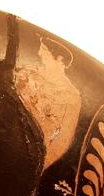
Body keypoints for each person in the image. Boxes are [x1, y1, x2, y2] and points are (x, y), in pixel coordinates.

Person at [14, 36, 81, 171]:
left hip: (29, 153)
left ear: (59, 59)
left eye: (44, 51)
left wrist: (36, 168)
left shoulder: (71, 96)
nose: (40, 54)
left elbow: (61, 141)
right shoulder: (30, 73)